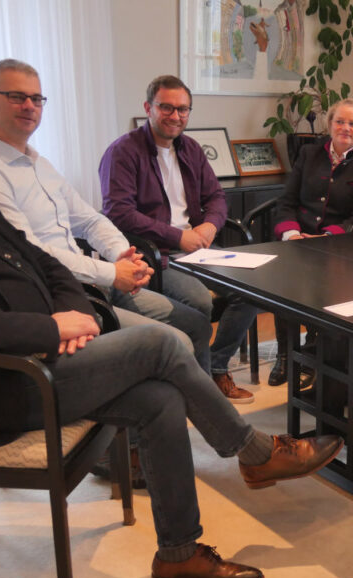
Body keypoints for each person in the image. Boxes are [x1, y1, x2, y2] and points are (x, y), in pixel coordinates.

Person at [0, 83, 343, 578]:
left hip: (41, 354)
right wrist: (49, 328)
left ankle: (178, 552)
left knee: (160, 397)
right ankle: (253, 451)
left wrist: (76, 314)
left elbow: (42, 259)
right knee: (160, 341)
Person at [0, 59, 211, 371]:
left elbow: (89, 219)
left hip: (100, 282)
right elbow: (31, 253)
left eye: (36, 98)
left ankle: (196, 400)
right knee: (178, 342)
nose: (29, 106)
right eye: (16, 96)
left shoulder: (40, 163)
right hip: (67, 298)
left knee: (196, 324)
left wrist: (124, 256)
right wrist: (111, 272)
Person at [99, 74, 256, 404]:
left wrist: (211, 226)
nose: (175, 116)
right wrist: (177, 236)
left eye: (183, 109)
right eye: (166, 107)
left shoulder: (191, 148)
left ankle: (215, 368)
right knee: (199, 301)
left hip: (197, 246)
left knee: (255, 290)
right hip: (156, 253)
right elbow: (119, 213)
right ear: (148, 108)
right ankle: (196, 391)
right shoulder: (123, 152)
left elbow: (216, 197)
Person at [267, 97, 353, 386]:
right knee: (285, 287)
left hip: (339, 249)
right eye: (340, 121)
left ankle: (319, 356)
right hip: (297, 241)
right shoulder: (308, 154)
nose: (345, 127)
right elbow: (287, 201)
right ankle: (286, 354)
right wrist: (291, 234)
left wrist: (326, 237)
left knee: (333, 293)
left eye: (352, 123)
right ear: (329, 124)